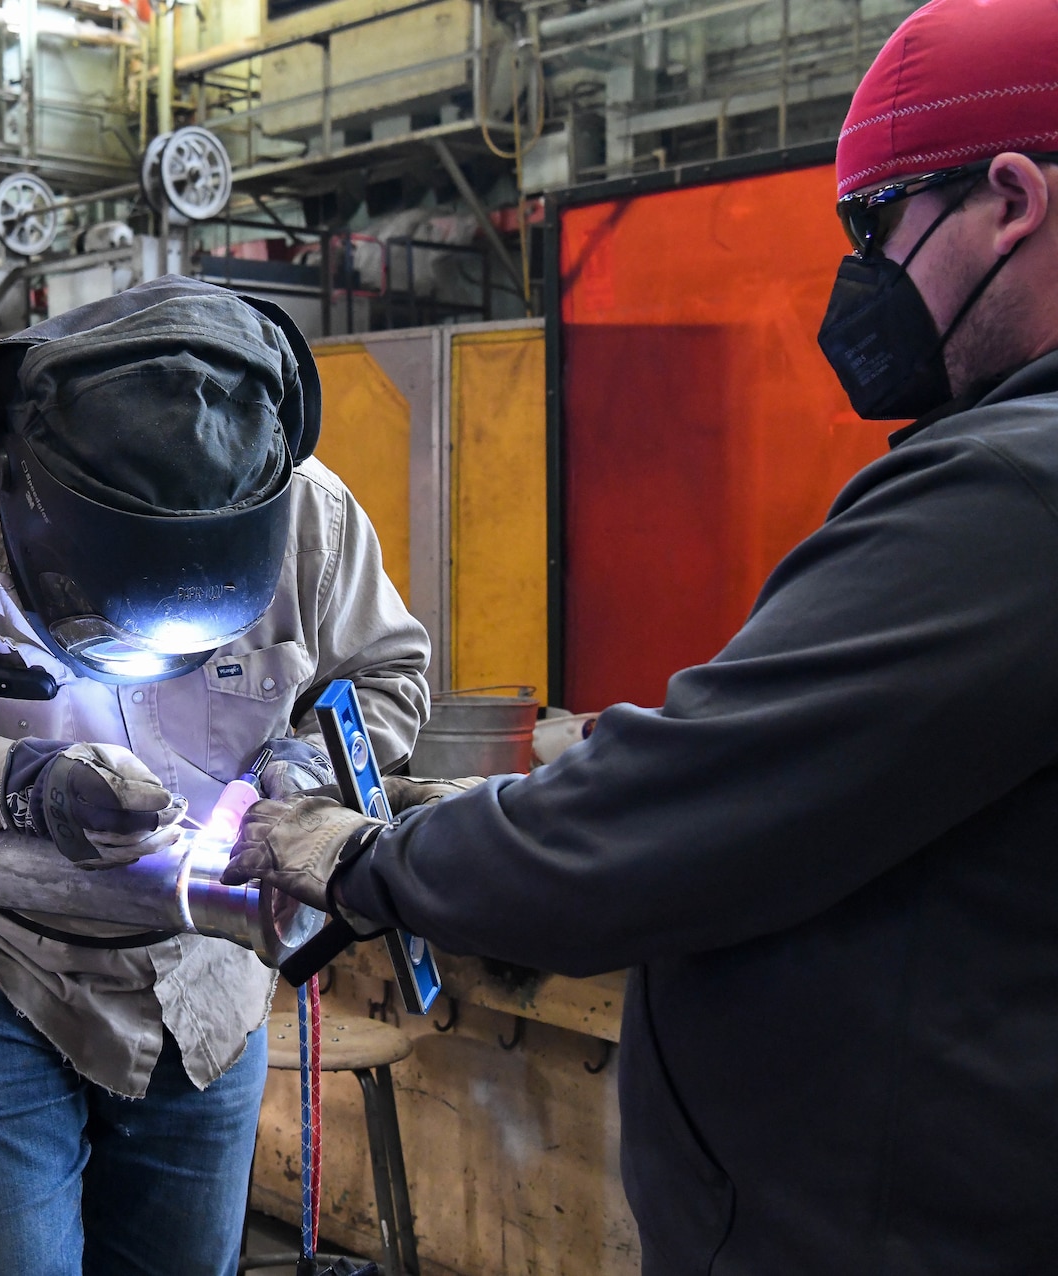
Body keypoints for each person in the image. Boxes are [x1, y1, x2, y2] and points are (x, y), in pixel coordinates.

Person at [226, 0, 1058, 1271]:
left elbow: (659, 828)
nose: (861, 281)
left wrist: (361, 856)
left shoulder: (1009, 490)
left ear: (1008, 198)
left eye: (875, 228)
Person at [0, 275, 431, 1276]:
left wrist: (310, 770)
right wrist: (15, 783)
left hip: (204, 964)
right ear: (20, 497)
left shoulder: (311, 520)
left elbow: (385, 674)